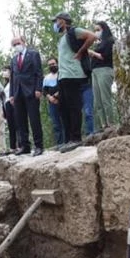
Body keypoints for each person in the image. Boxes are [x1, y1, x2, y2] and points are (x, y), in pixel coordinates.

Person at [51, 11, 96, 152]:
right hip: (63, 76)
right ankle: (68, 139)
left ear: (63, 21)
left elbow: (92, 36)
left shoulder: (74, 31)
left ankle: (76, 138)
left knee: (74, 107)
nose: (55, 24)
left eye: (56, 20)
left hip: (74, 75)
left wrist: (81, 51)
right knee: (63, 108)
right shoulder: (63, 37)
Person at [9, 36, 44, 156]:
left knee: (34, 119)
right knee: (20, 121)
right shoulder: (13, 59)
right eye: (13, 45)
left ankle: (39, 146)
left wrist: (39, 89)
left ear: (23, 43)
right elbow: (12, 77)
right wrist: (11, 95)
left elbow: (39, 72)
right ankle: (25, 146)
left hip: (31, 91)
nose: (16, 46)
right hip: (18, 93)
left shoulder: (33, 54)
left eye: (17, 43)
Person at [88, 21, 118, 133]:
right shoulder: (99, 43)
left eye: (98, 30)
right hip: (95, 71)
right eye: (95, 30)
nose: (96, 32)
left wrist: (92, 53)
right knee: (97, 100)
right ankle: (103, 124)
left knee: (105, 98)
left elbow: (106, 57)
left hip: (105, 70)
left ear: (104, 29)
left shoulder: (110, 41)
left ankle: (111, 123)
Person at [42, 57, 65, 147]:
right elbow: (44, 91)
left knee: (64, 121)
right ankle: (59, 143)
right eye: (50, 65)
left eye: (53, 64)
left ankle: (67, 140)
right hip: (51, 103)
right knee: (56, 123)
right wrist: (50, 98)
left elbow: (64, 86)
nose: (52, 66)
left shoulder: (62, 74)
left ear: (57, 63)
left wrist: (56, 96)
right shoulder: (46, 78)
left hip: (62, 101)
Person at [0, 66, 18, 154]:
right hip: (7, 105)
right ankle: (12, 147)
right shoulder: (5, 85)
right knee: (11, 127)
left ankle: (21, 145)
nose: (4, 73)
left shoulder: (15, 81)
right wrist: (3, 110)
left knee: (18, 125)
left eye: (5, 70)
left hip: (14, 103)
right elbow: (3, 99)